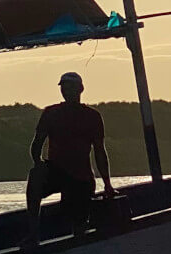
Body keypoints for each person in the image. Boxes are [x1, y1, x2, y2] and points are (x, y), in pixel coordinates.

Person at [26, 72, 116, 243]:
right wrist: (38, 163)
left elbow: (99, 152)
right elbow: (37, 143)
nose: (67, 91)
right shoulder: (51, 113)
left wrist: (107, 184)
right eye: (64, 87)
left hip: (81, 177)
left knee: (79, 225)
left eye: (71, 87)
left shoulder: (92, 116)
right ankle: (33, 234)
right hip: (56, 171)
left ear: (81, 89)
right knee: (35, 176)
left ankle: (79, 236)